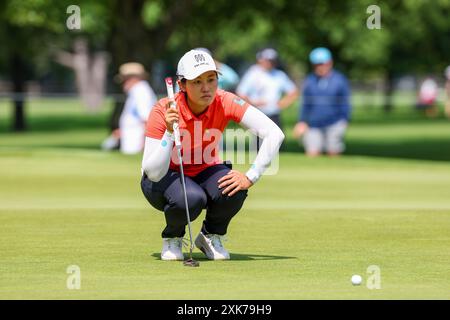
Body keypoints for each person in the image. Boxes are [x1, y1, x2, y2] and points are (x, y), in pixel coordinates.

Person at [141, 49, 284, 261]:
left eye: (211, 79)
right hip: (163, 178)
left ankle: (211, 235)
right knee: (191, 197)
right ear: (182, 86)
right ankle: (172, 237)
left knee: (234, 187)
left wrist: (251, 176)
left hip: (204, 169)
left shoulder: (225, 100)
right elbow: (153, 172)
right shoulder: (163, 109)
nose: (206, 88)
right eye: (197, 82)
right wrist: (170, 132)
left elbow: (274, 133)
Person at [293, 47, 351, 157]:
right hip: (313, 124)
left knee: (333, 152)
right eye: (316, 64)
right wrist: (302, 121)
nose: (320, 67)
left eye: (322, 64)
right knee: (312, 153)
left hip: (335, 122)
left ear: (330, 63)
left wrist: (345, 119)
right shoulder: (310, 80)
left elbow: (345, 102)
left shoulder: (339, 80)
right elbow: (306, 104)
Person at [236, 48, 299, 137]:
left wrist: (283, 103)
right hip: (258, 113)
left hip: (274, 114)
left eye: (271, 61)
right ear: (261, 60)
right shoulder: (253, 73)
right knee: (259, 143)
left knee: (277, 142)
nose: (269, 63)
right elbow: (241, 92)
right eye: (267, 60)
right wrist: (253, 103)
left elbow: (293, 92)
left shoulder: (279, 75)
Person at [101, 62, 157, 154]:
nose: (123, 83)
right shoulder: (137, 91)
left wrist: (145, 142)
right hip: (131, 138)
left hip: (136, 140)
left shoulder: (141, 91)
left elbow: (146, 119)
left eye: (124, 79)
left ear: (132, 78)